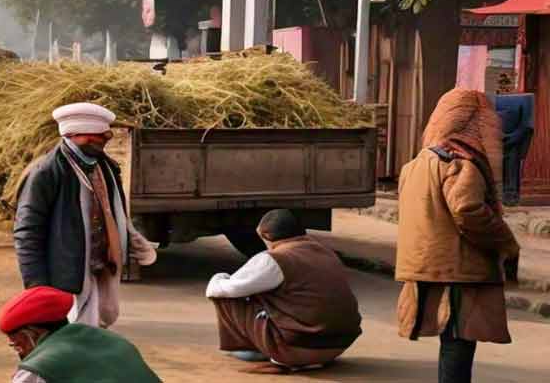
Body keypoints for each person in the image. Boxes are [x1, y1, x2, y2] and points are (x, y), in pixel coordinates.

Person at [396, 89, 520, 383]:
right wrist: (505, 240)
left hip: (429, 266)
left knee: (452, 340)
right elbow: (468, 210)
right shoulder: (461, 163)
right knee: (458, 341)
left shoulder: (414, 165)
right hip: (459, 270)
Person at [12, 103, 157, 328]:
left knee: (96, 329)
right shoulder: (46, 172)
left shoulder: (105, 167)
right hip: (66, 276)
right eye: (95, 137)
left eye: (105, 136)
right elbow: (27, 231)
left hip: (100, 269)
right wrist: (37, 286)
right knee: (70, 337)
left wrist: (130, 240)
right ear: (72, 134)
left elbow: (113, 211)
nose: (103, 140)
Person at [206, 209, 362, 372]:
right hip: (337, 347)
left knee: (226, 295)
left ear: (265, 236)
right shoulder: (327, 252)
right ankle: (279, 349)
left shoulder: (275, 258)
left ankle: (255, 351)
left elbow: (223, 289)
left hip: (297, 349)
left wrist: (219, 277)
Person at [0, 286, 161, 383]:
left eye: (18, 345)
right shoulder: (109, 339)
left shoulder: (39, 368)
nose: (20, 353)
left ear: (33, 333)